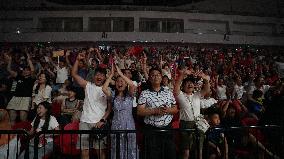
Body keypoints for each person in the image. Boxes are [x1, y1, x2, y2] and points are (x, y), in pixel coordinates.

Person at [71, 52, 112, 159]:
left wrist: (102, 120)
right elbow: (74, 74)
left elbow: (109, 109)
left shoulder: (107, 90)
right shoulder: (87, 85)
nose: (99, 77)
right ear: (93, 76)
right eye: (97, 74)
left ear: (105, 78)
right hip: (84, 122)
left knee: (100, 152)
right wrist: (77, 60)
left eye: (102, 75)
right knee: (84, 151)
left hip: (98, 123)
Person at [137, 67, 178, 159]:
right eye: (153, 75)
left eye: (158, 75)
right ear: (149, 78)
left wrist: (166, 110)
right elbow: (139, 111)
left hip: (167, 130)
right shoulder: (144, 93)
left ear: (161, 77)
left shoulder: (168, 92)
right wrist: (155, 110)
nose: (155, 77)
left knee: (169, 155)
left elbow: (175, 109)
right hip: (151, 131)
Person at [102, 64, 138, 159]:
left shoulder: (129, 96)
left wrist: (121, 74)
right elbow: (104, 88)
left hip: (129, 125)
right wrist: (111, 75)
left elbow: (132, 85)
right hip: (116, 125)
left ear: (125, 84)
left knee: (129, 147)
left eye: (122, 81)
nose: (120, 83)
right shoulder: (113, 96)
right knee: (117, 148)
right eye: (117, 81)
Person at [173, 68, 210, 159]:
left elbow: (207, 89)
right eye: (187, 83)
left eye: (191, 83)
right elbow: (176, 87)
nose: (190, 84)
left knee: (199, 150)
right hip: (185, 125)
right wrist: (182, 75)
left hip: (198, 124)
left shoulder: (197, 95)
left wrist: (204, 78)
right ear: (183, 86)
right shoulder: (180, 95)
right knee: (186, 153)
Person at [5, 52, 36, 125]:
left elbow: (33, 70)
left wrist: (29, 60)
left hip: (25, 98)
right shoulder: (19, 76)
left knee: (22, 118)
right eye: (24, 70)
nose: (25, 71)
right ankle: (12, 135)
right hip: (15, 98)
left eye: (27, 70)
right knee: (12, 117)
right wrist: (9, 61)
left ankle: (23, 134)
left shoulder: (31, 78)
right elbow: (9, 69)